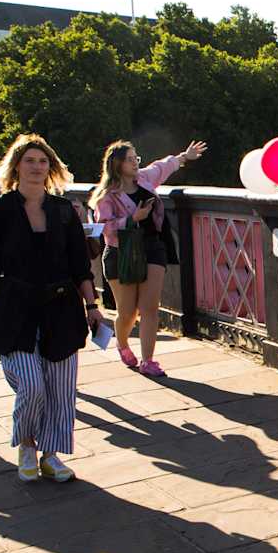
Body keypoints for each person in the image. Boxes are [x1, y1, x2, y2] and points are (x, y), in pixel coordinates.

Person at [0, 134, 104, 483]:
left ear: (51, 168)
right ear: (16, 166)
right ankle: (26, 443)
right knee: (31, 385)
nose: (36, 166)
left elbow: (80, 264)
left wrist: (92, 305)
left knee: (61, 388)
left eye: (43, 161)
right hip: (14, 308)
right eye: (30, 160)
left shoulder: (63, 210)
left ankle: (51, 453)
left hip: (61, 306)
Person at [90, 139, 204, 377]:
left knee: (150, 307)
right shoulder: (106, 196)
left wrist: (185, 155)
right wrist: (134, 217)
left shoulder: (144, 179)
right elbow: (104, 228)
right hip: (122, 253)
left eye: (136, 158)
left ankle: (148, 360)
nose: (135, 163)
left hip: (152, 247)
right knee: (128, 311)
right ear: (117, 164)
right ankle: (122, 345)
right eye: (130, 159)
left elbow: (163, 166)